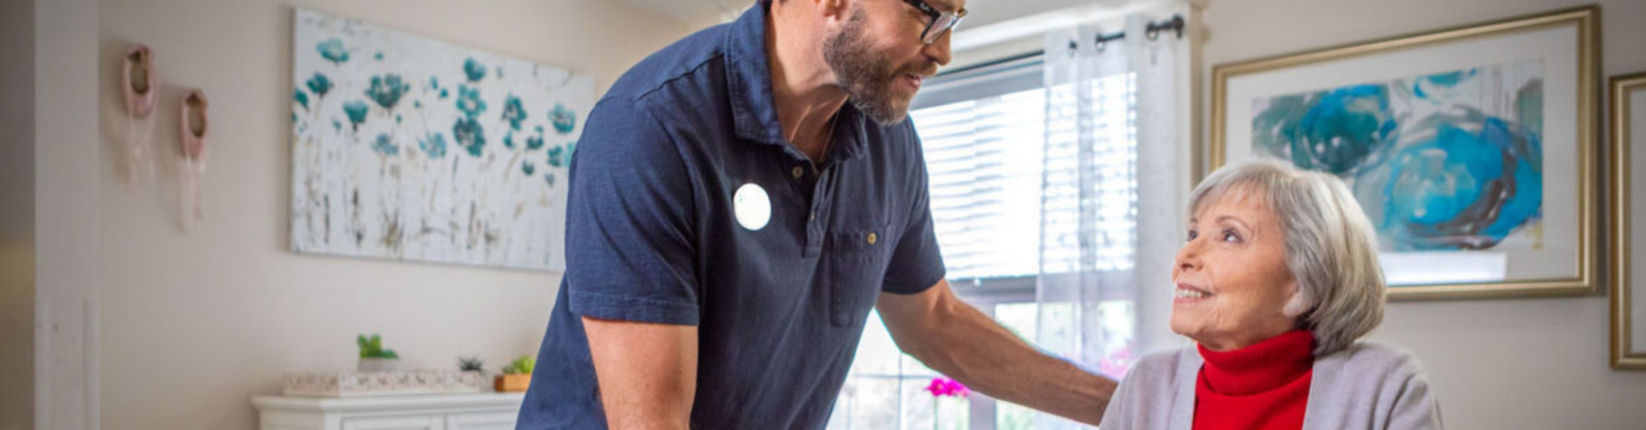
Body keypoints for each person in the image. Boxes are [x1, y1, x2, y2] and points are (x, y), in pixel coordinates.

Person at [515, 0, 1118, 428]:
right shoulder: (650, 127)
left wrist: (1130, 406)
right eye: (928, 14)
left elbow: (934, 322)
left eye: (954, 20)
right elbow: (651, 421)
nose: (944, 50)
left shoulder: (889, 143)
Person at [1098, 160, 1443, 430]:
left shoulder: (1385, 386)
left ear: (1303, 280)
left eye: (1230, 236)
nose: (1183, 256)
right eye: (1192, 233)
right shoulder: (1146, 384)